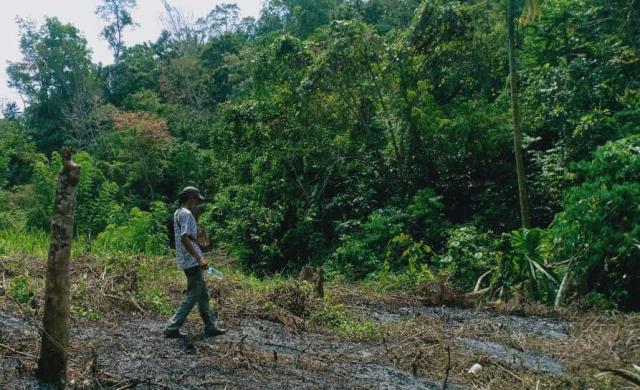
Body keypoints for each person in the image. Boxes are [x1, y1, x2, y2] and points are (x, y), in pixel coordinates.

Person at [163, 186, 226, 338]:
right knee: (193, 295)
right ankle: (172, 327)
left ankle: (211, 326)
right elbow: (185, 237)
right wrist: (199, 258)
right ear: (190, 197)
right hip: (192, 261)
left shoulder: (178, 212)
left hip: (187, 260)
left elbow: (188, 235)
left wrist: (195, 220)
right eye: (196, 198)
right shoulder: (186, 213)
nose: (197, 201)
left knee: (203, 294)